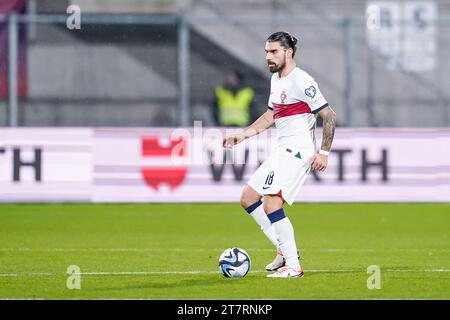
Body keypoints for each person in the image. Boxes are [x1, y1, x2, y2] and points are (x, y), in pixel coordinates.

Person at [223, 31, 337, 278]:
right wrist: (242, 135)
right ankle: (282, 250)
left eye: (274, 52)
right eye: (266, 52)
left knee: (272, 203)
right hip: (282, 149)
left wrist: (324, 153)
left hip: (298, 151)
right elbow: (270, 116)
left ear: (289, 52)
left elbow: (329, 115)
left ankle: (294, 267)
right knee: (248, 197)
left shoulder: (302, 81)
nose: (268, 57)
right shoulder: (277, 80)